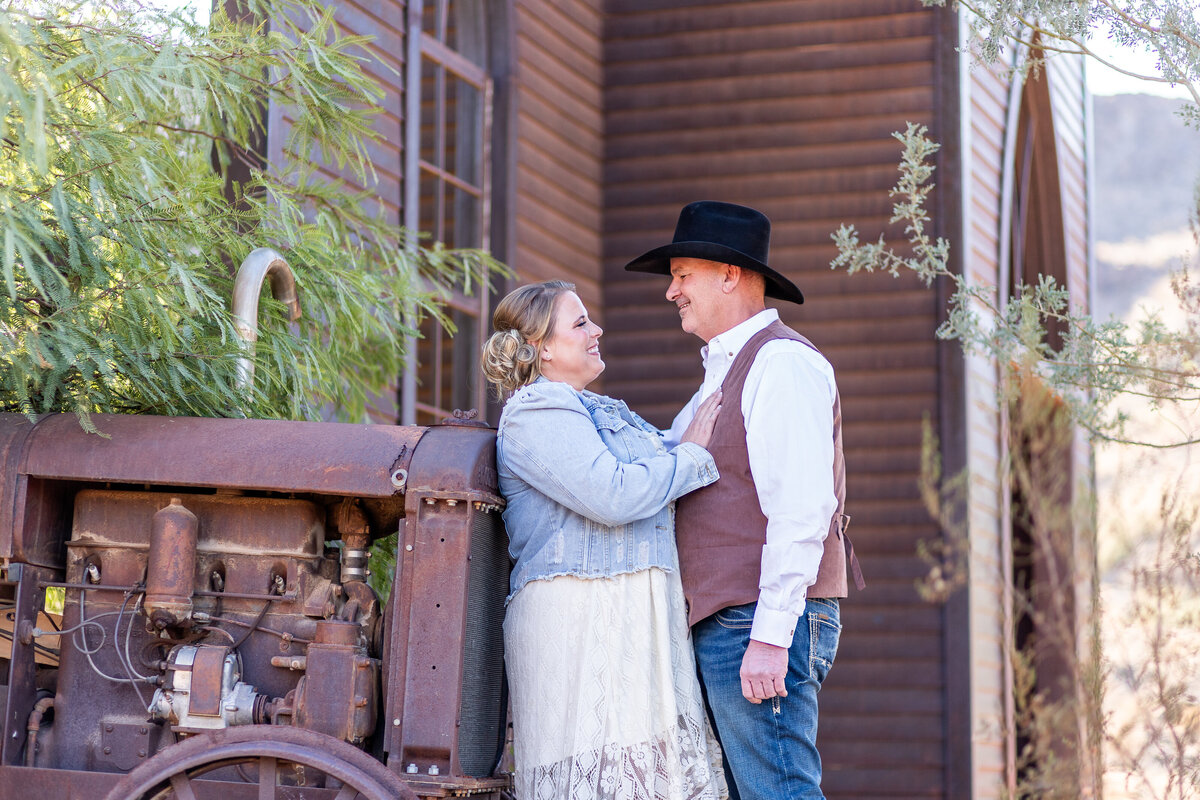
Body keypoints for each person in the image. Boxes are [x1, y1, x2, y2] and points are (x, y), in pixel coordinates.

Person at [624, 201, 864, 800]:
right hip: (734, 619)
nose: (672, 292)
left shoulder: (781, 363)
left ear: (730, 275)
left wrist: (769, 636)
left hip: (753, 618)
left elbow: (803, 510)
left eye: (682, 275)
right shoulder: (722, 374)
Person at [481, 279, 727, 800]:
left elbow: (664, 458)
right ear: (542, 347)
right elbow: (613, 494)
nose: (597, 330)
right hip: (582, 613)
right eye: (580, 323)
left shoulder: (593, 408)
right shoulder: (536, 411)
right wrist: (690, 456)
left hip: (630, 609)